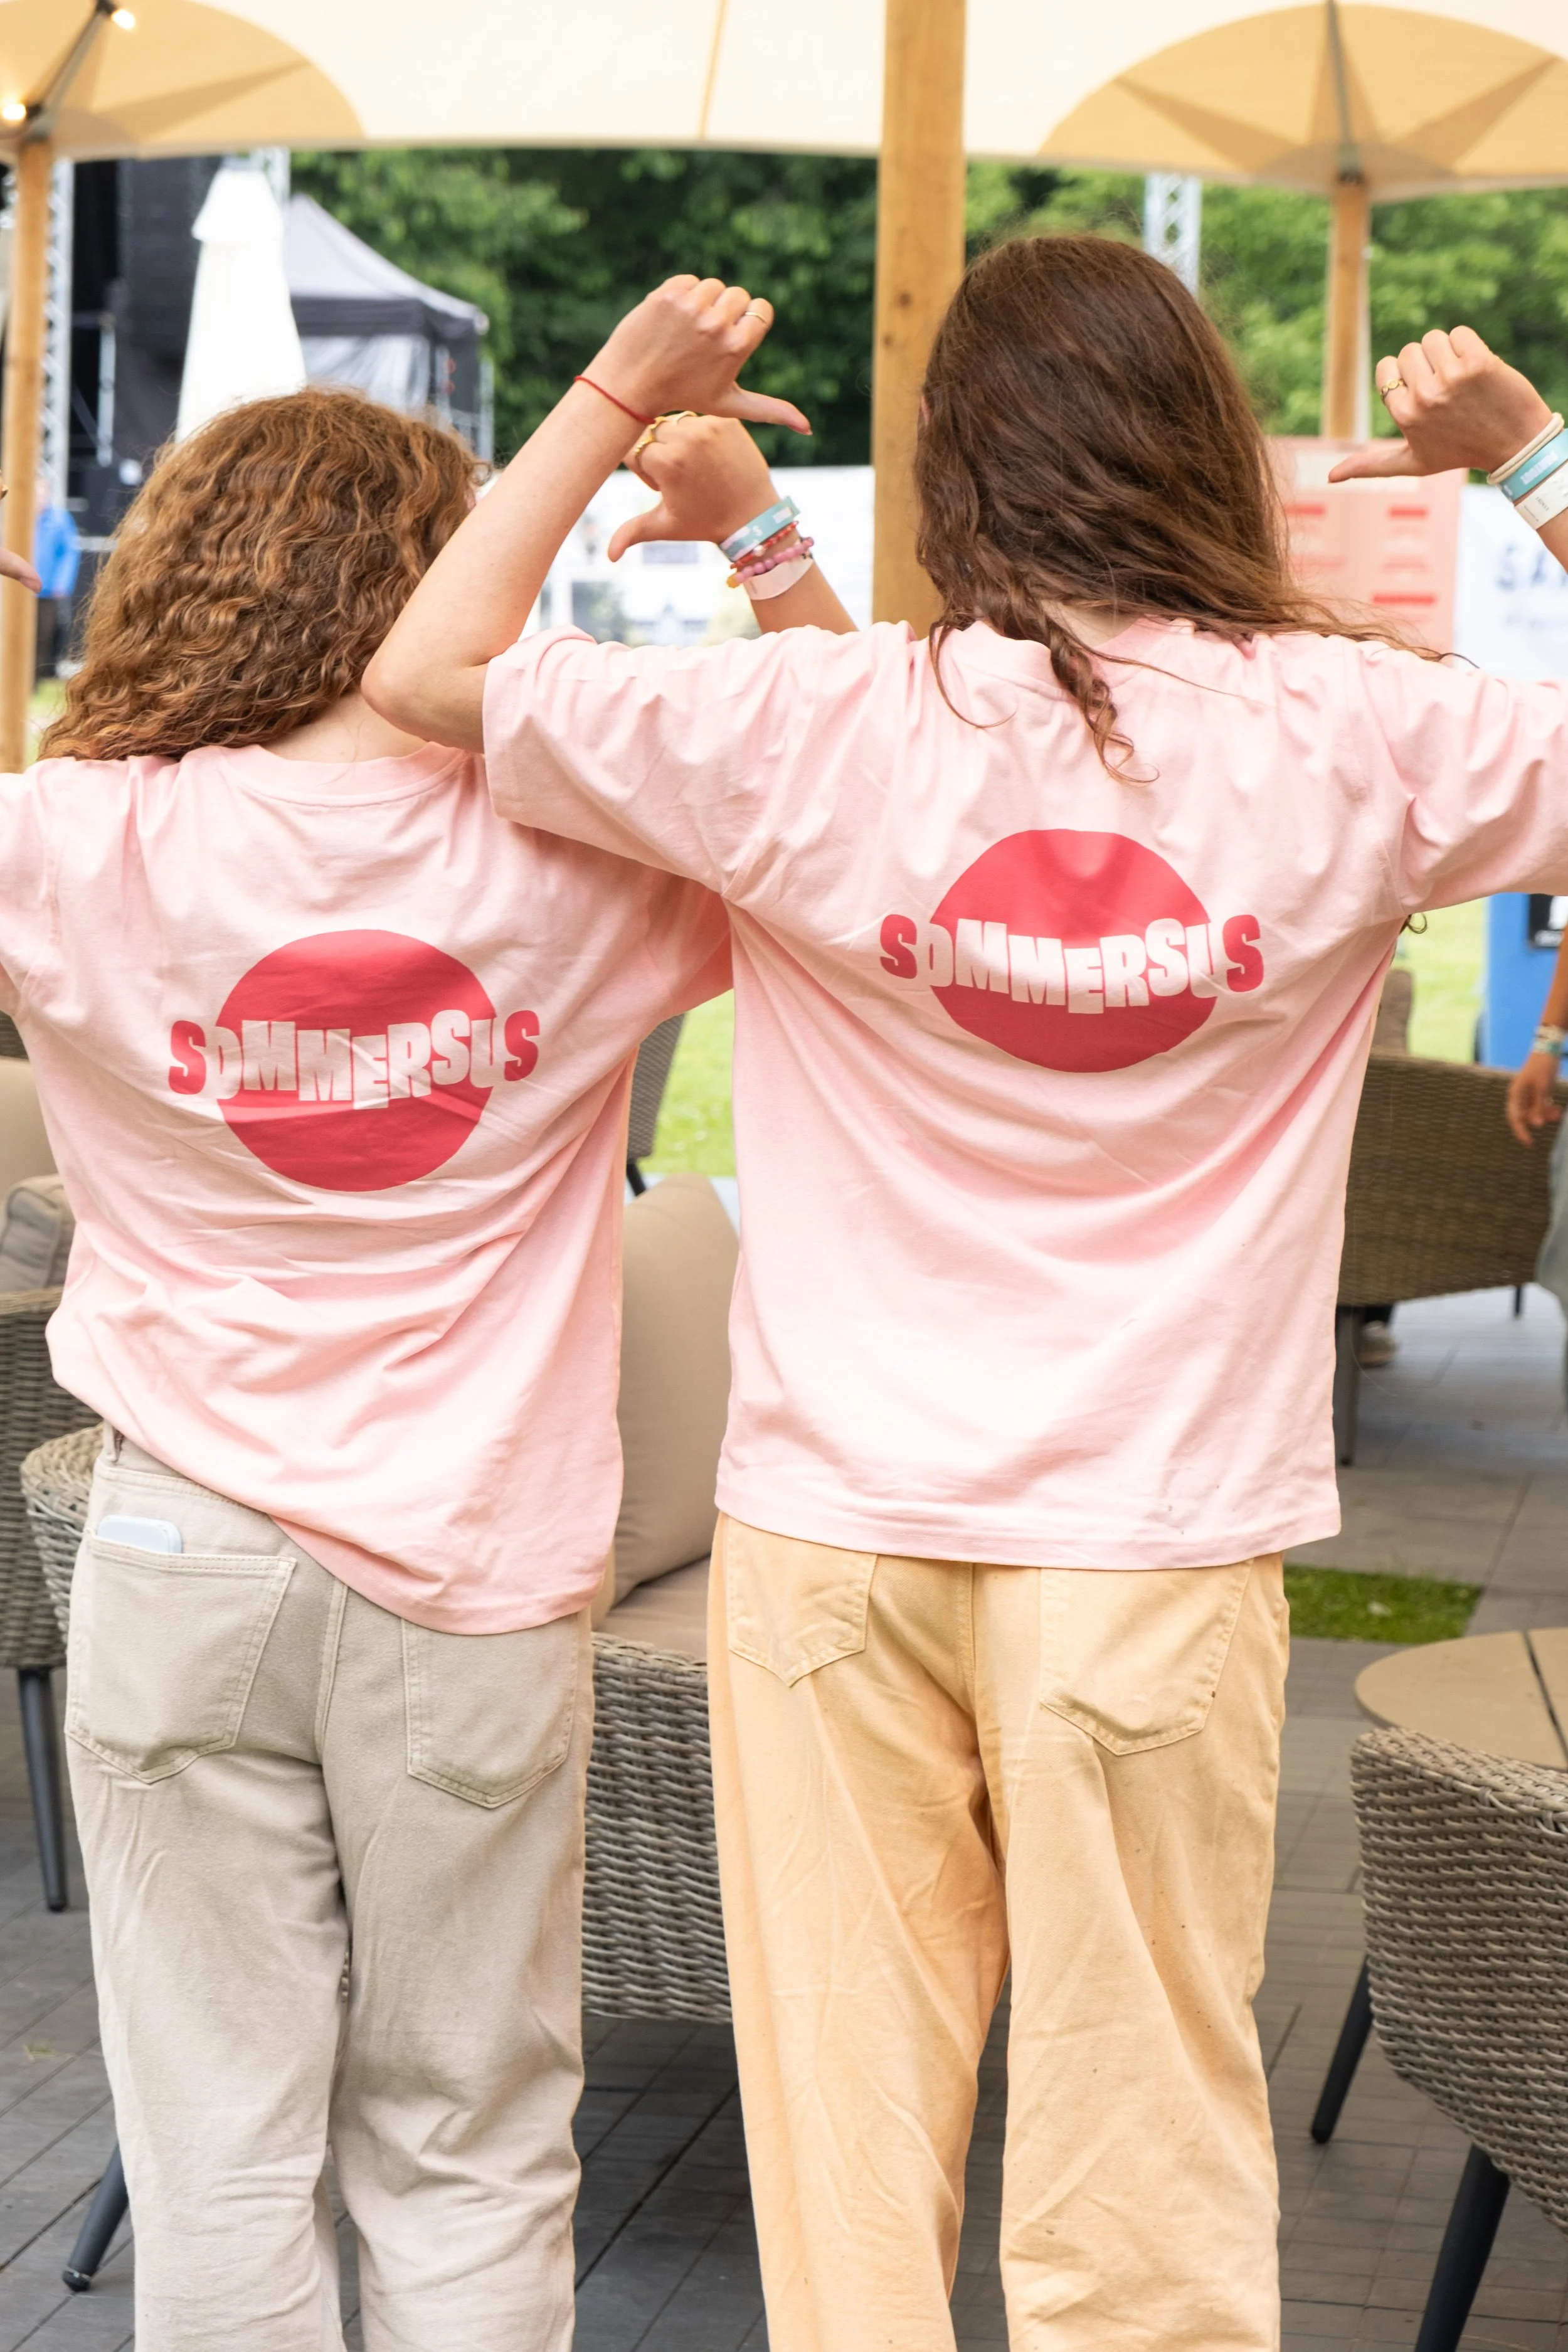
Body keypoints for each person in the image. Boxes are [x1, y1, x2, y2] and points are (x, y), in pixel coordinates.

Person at [367, 248, 1568, 2352]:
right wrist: (1531, 456)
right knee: (1145, 2190)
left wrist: (610, 402)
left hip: (835, 1542)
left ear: (951, 473)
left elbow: (426, 669)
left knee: (846, 2169)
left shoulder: (818, 721)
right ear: (1205, 449)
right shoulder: (1349, 727)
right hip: (1153, 1550)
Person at [2, 386, 738, 2352]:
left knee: (215, 2142)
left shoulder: (72, 838)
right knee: (473, 2136)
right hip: (470, 1569)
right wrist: (754, 541)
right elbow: (877, 820)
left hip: (175, 1549)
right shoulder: (581, 851)